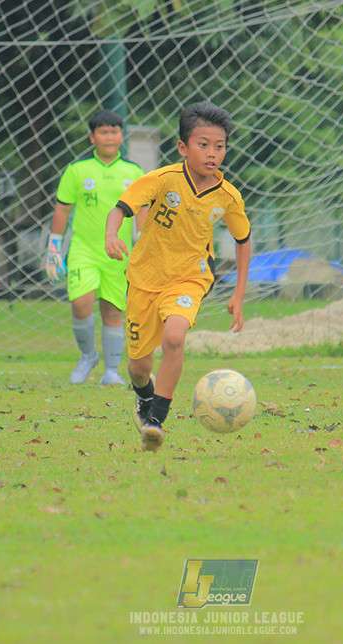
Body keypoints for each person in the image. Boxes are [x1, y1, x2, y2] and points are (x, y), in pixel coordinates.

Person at [105, 102, 252, 451]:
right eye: (203, 144)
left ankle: (156, 418)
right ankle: (144, 395)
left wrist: (239, 295)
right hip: (143, 279)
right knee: (138, 367)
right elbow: (121, 210)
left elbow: (243, 241)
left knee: (174, 337)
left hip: (191, 278)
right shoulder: (161, 180)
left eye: (219, 146)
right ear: (184, 148)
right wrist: (112, 235)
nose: (212, 153)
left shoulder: (228, 197)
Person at [45, 110, 145, 385]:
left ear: (121, 136)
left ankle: (111, 372)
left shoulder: (133, 172)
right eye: (103, 132)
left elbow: (143, 208)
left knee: (113, 310)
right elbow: (63, 209)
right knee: (81, 303)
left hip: (119, 253)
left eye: (114, 131)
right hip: (84, 250)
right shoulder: (77, 171)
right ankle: (88, 355)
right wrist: (54, 246)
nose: (109, 137)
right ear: (92, 137)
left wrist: (142, 239)